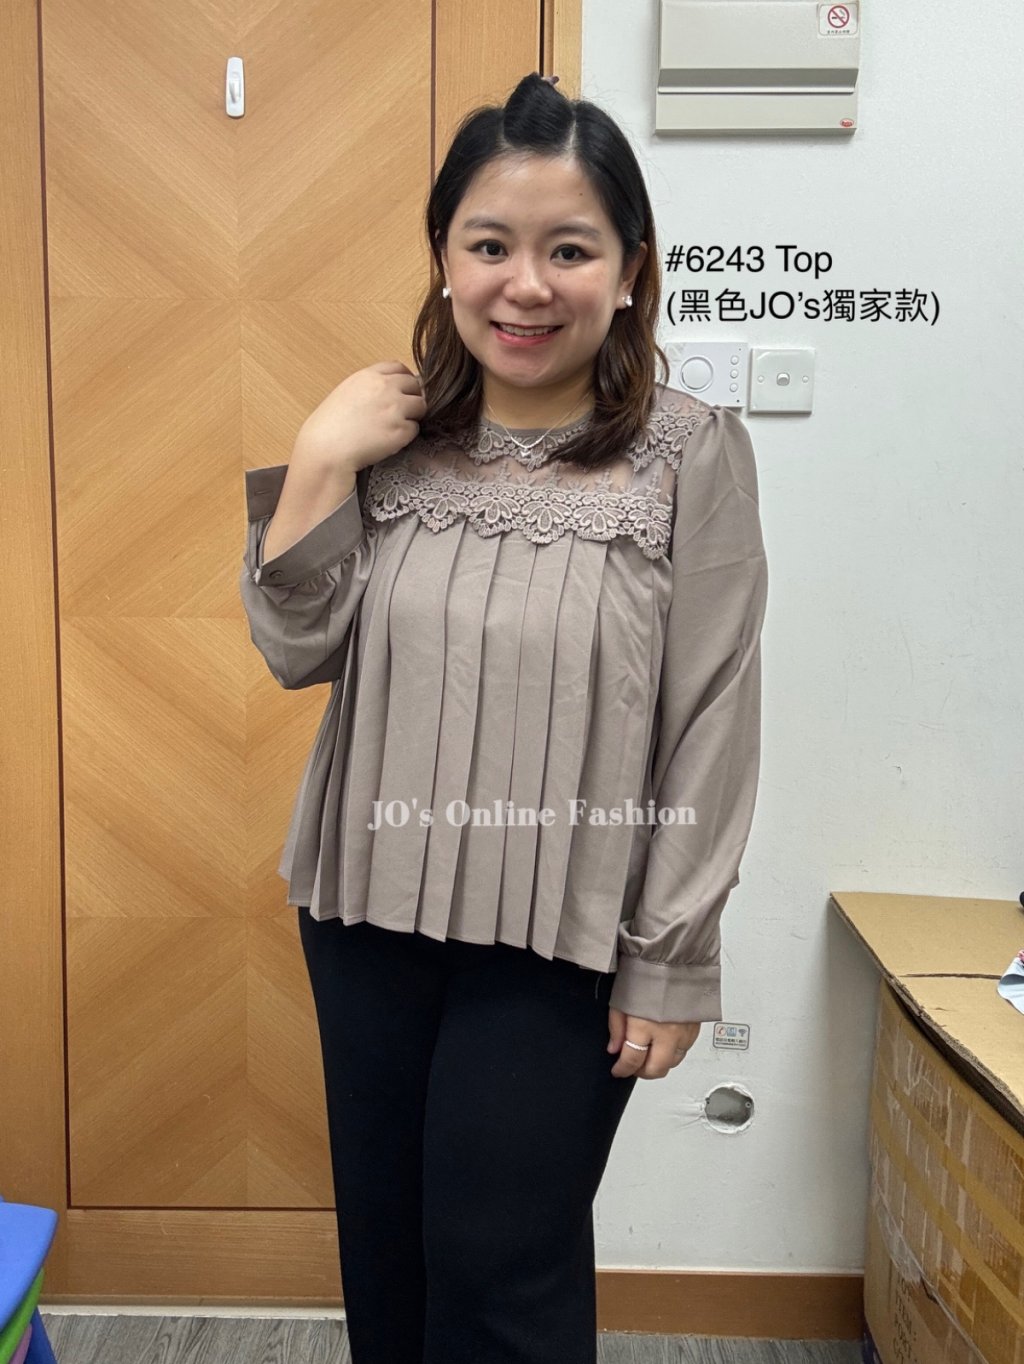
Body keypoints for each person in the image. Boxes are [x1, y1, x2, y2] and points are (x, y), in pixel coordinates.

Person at [239, 71, 768, 1364]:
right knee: (390, 1256)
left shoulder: (690, 454)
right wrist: (319, 457)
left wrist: (670, 956)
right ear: (444, 258)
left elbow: (712, 713)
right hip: (365, 917)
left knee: (501, 1271)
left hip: (563, 941)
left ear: (630, 270)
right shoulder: (390, 437)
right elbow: (296, 650)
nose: (525, 285)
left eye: (568, 250)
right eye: (490, 245)